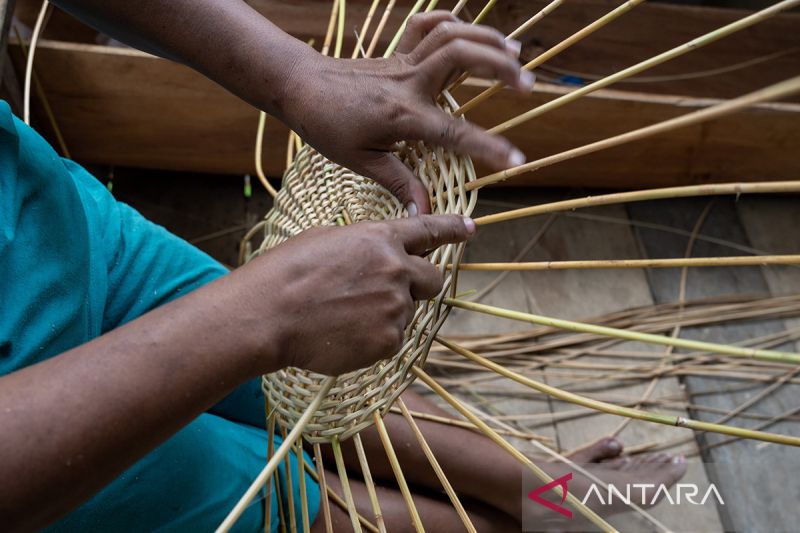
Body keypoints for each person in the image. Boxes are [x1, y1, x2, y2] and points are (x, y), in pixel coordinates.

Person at [0, 2, 686, 531]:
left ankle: (537, 488)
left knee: (308, 389)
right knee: (274, 492)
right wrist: (261, 311)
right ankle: (496, 525)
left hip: (49, 223)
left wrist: (297, 74)